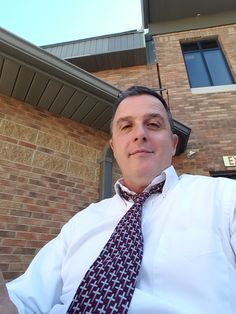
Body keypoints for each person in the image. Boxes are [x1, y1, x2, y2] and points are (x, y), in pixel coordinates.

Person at [1, 85, 236, 314]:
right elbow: (24, 301)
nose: (140, 134)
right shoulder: (80, 224)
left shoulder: (225, 199)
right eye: (126, 127)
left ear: (173, 144)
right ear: (114, 148)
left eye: (153, 124)